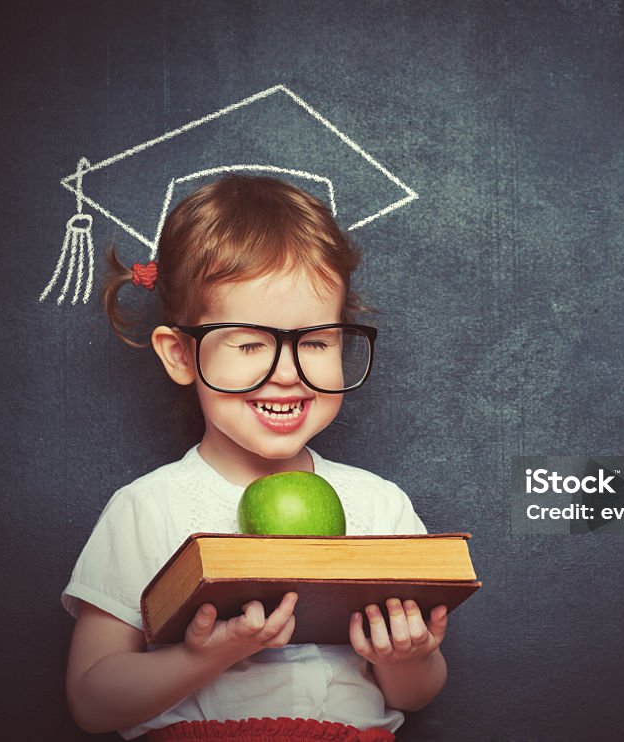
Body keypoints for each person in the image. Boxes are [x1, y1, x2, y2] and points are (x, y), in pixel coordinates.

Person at [61, 176, 448, 741]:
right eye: (248, 344)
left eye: (316, 341)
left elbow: (413, 696)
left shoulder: (379, 505)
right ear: (180, 355)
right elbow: (92, 702)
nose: (287, 373)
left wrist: (406, 657)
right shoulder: (147, 509)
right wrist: (204, 658)